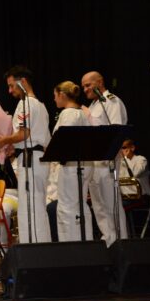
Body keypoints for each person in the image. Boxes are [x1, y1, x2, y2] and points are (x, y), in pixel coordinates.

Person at [0, 66, 51, 243]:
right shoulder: (40, 105)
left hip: (30, 160)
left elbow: (24, 133)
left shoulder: (26, 103)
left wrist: (3, 140)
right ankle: (40, 246)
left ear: (23, 82)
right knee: (37, 206)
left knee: (30, 207)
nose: (10, 91)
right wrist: (13, 146)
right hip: (36, 158)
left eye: (12, 85)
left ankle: (33, 248)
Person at [81, 71, 128, 246]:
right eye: (83, 86)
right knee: (99, 207)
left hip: (107, 161)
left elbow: (116, 130)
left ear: (100, 82)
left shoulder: (111, 101)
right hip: (94, 161)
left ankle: (121, 243)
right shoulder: (94, 105)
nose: (85, 89)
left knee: (111, 204)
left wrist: (89, 117)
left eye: (88, 85)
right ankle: (108, 241)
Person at [52, 81, 93, 241]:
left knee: (67, 207)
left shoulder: (68, 113)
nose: (54, 100)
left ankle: (71, 245)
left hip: (71, 166)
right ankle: (85, 241)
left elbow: (65, 140)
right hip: (82, 164)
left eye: (55, 96)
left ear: (62, 95)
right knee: (80, 205)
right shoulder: (81, 113)